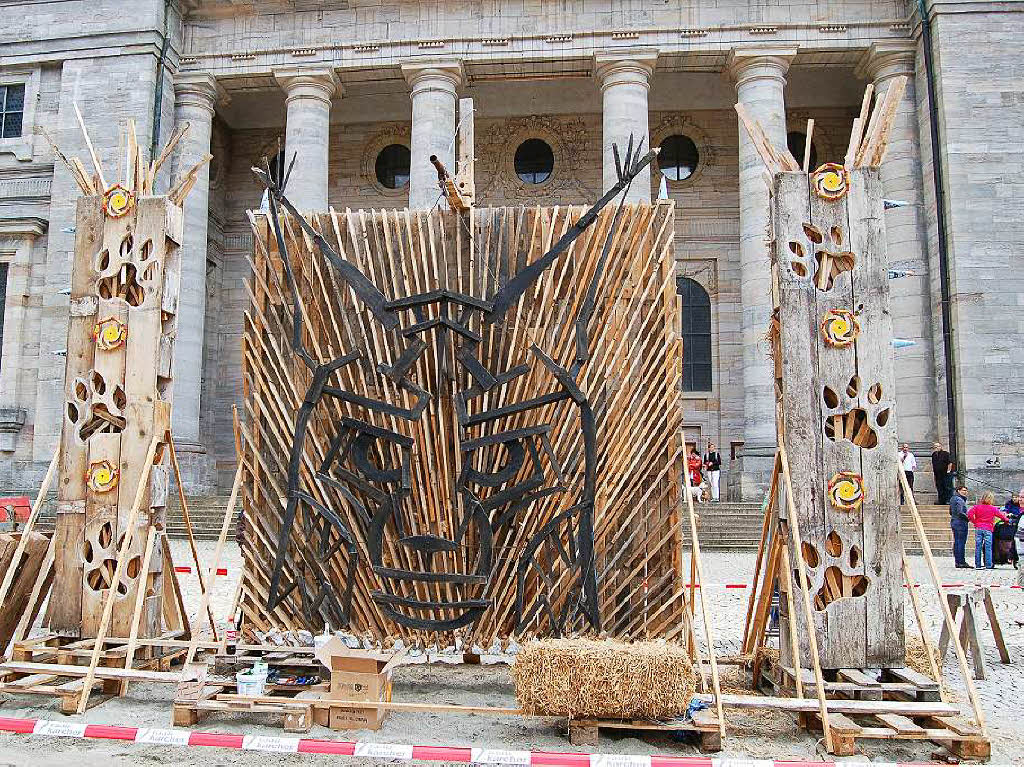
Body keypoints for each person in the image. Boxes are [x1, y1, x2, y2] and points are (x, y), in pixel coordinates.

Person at [967, 491, 1008, 570]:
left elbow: (969, 514)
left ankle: (978, 564)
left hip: (978, 528)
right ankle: (988, 564)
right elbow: (1001, 516)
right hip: (988, 528)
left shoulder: (977, 507)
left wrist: (974, 522)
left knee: (978, 546)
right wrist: (1007, 520)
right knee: (988, 547)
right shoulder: (993, 508)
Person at [996, 494, 1022, 568]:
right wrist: (1007, 515)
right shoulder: (1008, 504)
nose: (1014, 499)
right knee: (1013, 541)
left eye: (1016, 497)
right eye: (1013, 497)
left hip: (1019, 523)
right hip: (1010, 524)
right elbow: (1004, 511)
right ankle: (1011, 558)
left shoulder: (1021, 505)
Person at [949, 485, 970, 568]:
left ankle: (958, 561)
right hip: (960, 522)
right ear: (958, 491)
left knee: (957, 542)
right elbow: (960, 512)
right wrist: (968, 518)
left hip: (954, 521)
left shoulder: (953, 499)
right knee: (960, 542)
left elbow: (951, 511)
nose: (965, 492)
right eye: (963, 490)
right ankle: (961, 561)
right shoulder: (959, 500)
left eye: (966, 491)